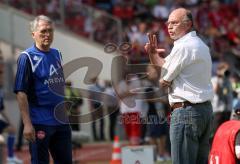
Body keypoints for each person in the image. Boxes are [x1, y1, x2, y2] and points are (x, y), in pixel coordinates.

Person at [145, 8, 214, 164]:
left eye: (174, 23)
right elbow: (167, 66)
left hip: (186, 112)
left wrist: (160, 74)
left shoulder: (183, 46)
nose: (169, 27)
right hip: (205, 111)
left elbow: (164, 80)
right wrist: (153, 54)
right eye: (168, 23)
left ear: (188, 24)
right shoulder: (200, 44)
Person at [14, 15, 72, 163]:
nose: (47, 34)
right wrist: (27, 123)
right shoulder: (26, 57)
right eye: (43, 31)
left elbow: (58, 84)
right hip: (40, 121)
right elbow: (21, 93)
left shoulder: (57, 54)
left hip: (61, 121)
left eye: (50, 31)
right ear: (33, 34)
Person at [0, 55, 22, 164]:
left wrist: (8, 120)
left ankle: (10, 156)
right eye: (1, 75)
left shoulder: (1, 91)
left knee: (12, 129)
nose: (3, 77)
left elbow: (2, 108)